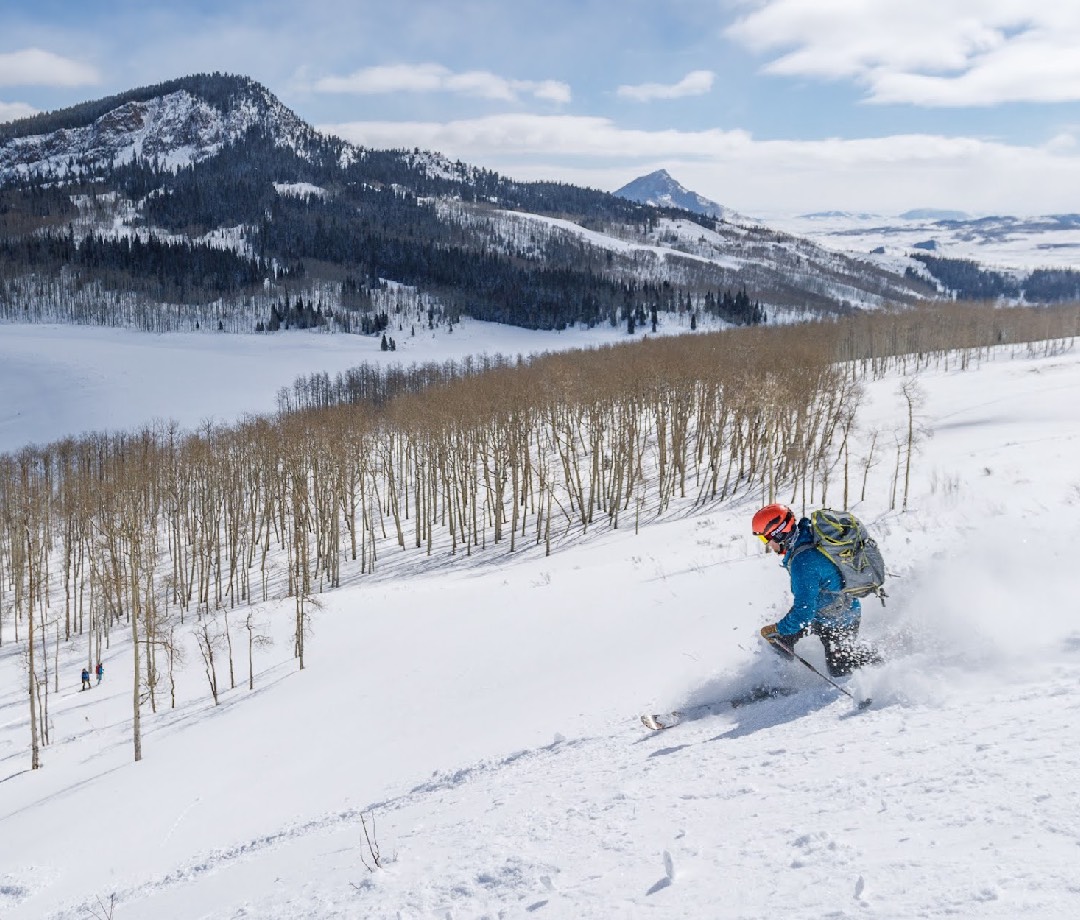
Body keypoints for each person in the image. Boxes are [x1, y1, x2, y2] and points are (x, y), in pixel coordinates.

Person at [752, 502, 881, 678]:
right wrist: (780, 633)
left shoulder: (803, 562)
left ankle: (880, 659)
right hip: (820, 612)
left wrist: (778, 628)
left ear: (779, 533)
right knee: (780, 639)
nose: (767, 544)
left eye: (765, 539)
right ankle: (776, 676)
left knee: (838, 668)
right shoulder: (806, 536)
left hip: (841, 620)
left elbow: (804, 613)